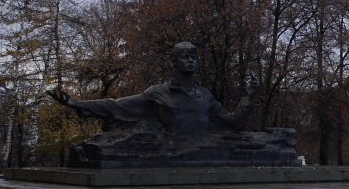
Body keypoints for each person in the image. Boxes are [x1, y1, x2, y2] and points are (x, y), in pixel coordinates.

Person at [47, 41, 254, 134]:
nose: (191, 61)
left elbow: (233, 123)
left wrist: (248, 97)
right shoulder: (158, 92)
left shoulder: (206, 96)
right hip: (170, 153)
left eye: (194, 57)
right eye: (185, 57)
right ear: (174, 63)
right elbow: (118, 106)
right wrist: (75, 103)